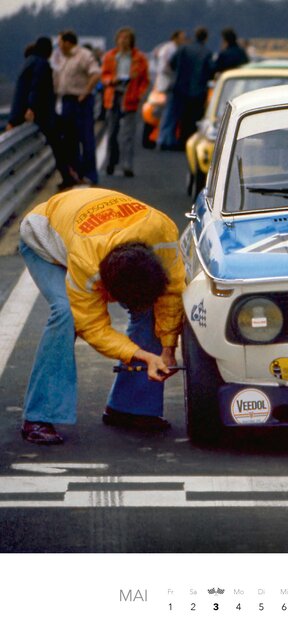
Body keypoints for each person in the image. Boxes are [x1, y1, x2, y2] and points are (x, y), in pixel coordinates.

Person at [17, 188, 186, 444]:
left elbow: (171, 293)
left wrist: (168, 349)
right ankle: (38, 416)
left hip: (90, 229)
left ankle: (130, 408)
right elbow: (92, 326)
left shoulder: (164, 232)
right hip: (43, 239)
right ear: (105, 288)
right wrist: (142, 355)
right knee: (65, 313)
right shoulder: (87, 263)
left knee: (152, 308)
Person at [6, 36, 80, 190]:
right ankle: (68, 174)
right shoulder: (41, 63)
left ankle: (69, 174)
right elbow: (36, 87)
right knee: (59, 142)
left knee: (58, 142)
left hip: (26, 112)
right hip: (42, 114)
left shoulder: (30, 61)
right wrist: (31, 108)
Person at [54, 29, 101, 185]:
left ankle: (90, 174)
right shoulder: (62, 58)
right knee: (70, 139)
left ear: (68, 42)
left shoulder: (83, 55)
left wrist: (86, 92)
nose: (59, 46)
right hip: (66, 100)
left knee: (86, 138)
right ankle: (76, 173)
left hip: (81, 100)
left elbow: (96, 73)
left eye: (60, 42)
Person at [101, 27, 149, 178]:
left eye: (126, 38)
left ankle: (127, 164)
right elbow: (103, 75)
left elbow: (145, 80)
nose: (123, 41)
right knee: (112, 132)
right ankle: (111, 162)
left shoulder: (139, 58)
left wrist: (139, 94)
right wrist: (111, 80)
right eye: (121, 38)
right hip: (114, 94)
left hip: (130, 95)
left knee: (128, 134)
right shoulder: (110, 56)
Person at [162, 26, 213, 150]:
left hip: (180, 87)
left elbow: (172, 63)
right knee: (194, 118)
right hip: (198, 90)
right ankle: (189, 142)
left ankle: (171, 140)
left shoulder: (183, 48)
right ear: (206, 38)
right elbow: (210, 70)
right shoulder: (207, 52)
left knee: (177, 116)